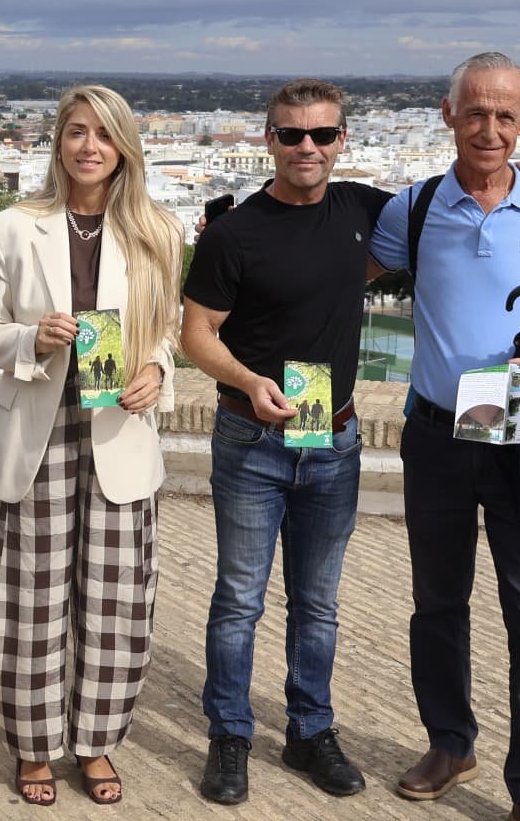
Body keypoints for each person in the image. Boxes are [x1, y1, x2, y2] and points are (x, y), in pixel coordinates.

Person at [369, 52, 520, 821]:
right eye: (476, 112)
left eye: (506, 115)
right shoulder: (415, 206)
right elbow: (343, 276)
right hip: (437, 436)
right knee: (438, 603)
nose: (490, 129)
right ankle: (450, 743)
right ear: (447, 114)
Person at [0, 85, 181, 807]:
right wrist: (31, 338)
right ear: (57, 142)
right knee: (28, 600)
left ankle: (94, 743)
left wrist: (157, 372)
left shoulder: (156, 229)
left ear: (124, 147)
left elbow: (167, 332)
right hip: (38, 427)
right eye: (76, 132)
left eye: (104, 135)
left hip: (119, 426)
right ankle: (32, 746)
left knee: (117, 601)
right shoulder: (7, 228)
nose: (89, 146)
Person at [181, 78, 385, 805]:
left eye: (322, 135)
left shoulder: (364, 210)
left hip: (335, 439)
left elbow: (457, 206)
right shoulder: (236, 232)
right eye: (292, 134)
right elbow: (195, 334)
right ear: (267, 139)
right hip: (251, 438)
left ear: (341, 141)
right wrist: (249, 379)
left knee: (319, 603)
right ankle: (230, 735)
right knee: (239, 598)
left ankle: (309, 732)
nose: (307, 147)